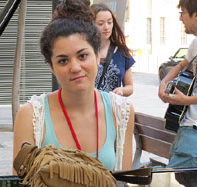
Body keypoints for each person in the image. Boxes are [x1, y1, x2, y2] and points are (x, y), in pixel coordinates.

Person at [13, 0, 134, 173]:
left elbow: (123, 184)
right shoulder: (31, 116)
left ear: (98, 55)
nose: (75, 67)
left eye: (83, 56)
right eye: (63, 60)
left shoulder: (121, 112)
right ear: (52, 67)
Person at [158, 0, 197, 168]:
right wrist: (164, 82)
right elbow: (181, 66)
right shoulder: (195, 44)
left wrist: (186, 101)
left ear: (195, 16)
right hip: (186, 128)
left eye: (182, 13)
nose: (180, 19)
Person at [91, 3, 135, 97]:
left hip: (111, 108)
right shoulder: (84, 52)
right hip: (89, 108)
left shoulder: (122, 52)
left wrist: (122, 90)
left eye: (109, 22)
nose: (106, 27)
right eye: (101, 23)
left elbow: (130, 87)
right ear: (91, 25)